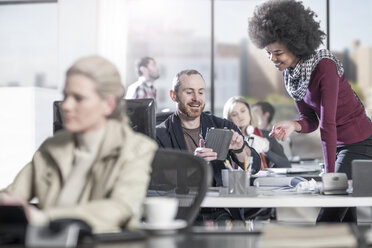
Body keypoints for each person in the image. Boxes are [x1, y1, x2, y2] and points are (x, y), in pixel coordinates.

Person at [0, 56, 158, 233]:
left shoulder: (137, 149)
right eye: (65, 96)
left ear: (108, 104)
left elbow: (120, 208)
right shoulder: (52, 147)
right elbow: (12, 196)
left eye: (78, 98)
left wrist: (44, 218)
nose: (66, 105)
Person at [248, 0, 372, 222]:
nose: (272, 60)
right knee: (345, 214)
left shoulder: (325, 66)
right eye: (268, 53)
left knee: (331, 208)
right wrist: (294, 125)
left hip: (359, 142)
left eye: (277, 53)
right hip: (337, 144)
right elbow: (310, 119)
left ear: (295, 45)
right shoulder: (292, 73)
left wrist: (330, 174)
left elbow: (327, 124)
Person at [156, 69, 261, 221]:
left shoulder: (222, 125)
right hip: (181, 212)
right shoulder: (160, 134)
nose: (196, 98)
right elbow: (158, 182)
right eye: (189, 92)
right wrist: (193, 163)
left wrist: (239, 148)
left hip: (220, 211)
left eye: (200, 92)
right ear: (174, 95)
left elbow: (255, 165)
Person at [224, 96, 290, 168]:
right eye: (234, 115)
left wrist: (266, 151)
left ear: (249, 112)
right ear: (229, 119)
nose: (240, 116)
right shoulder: (227, 141)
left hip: (262, 179)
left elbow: (286, 165)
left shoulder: (266, 135)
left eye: (243, 111)